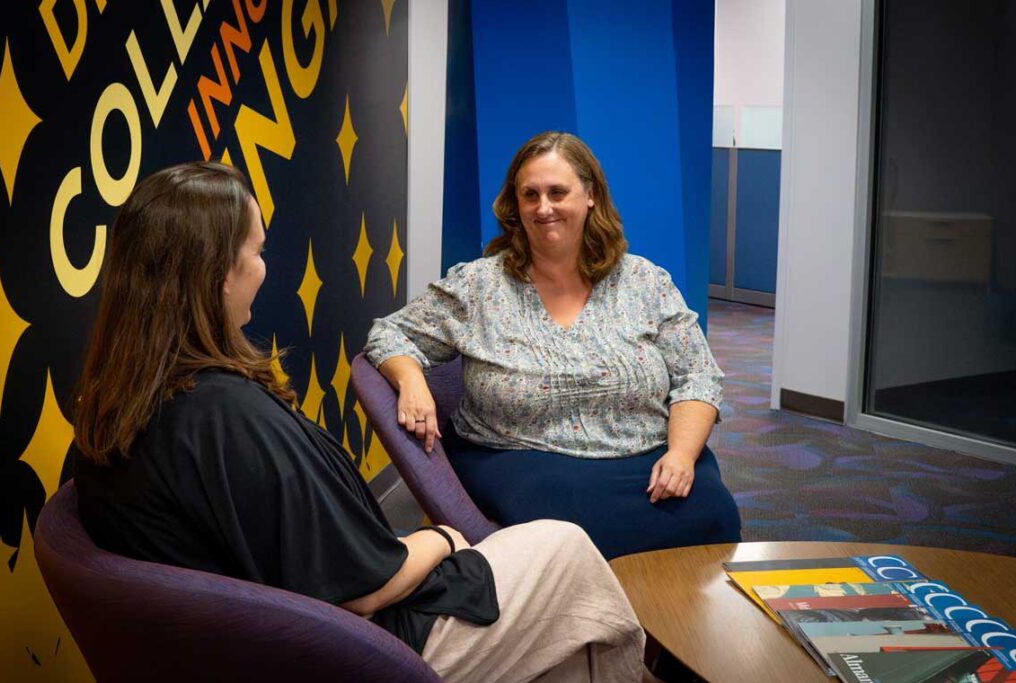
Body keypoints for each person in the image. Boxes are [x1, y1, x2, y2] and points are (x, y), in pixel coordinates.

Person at [72, 162, 651, 682]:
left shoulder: (119, 400)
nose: (262, 269)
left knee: (556, 587)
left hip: (261, 637)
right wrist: (442, 537)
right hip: (359, 649)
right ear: (220, 272)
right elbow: (360, 589)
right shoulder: (228, 418)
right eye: (257, 251)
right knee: (568, 550)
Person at [365, 131, 741, 560]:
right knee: (574, 534)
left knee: (713, 513)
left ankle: (668, 624)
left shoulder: (644, 282)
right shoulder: (479, 285)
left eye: (557, 192)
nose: (543, 208)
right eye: (530, 195)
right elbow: (390, 333)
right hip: (523, 457)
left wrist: (681, 454)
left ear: (590, 196)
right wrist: (412, 379)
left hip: (647, 455)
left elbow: (697, 374)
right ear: (516, 205)